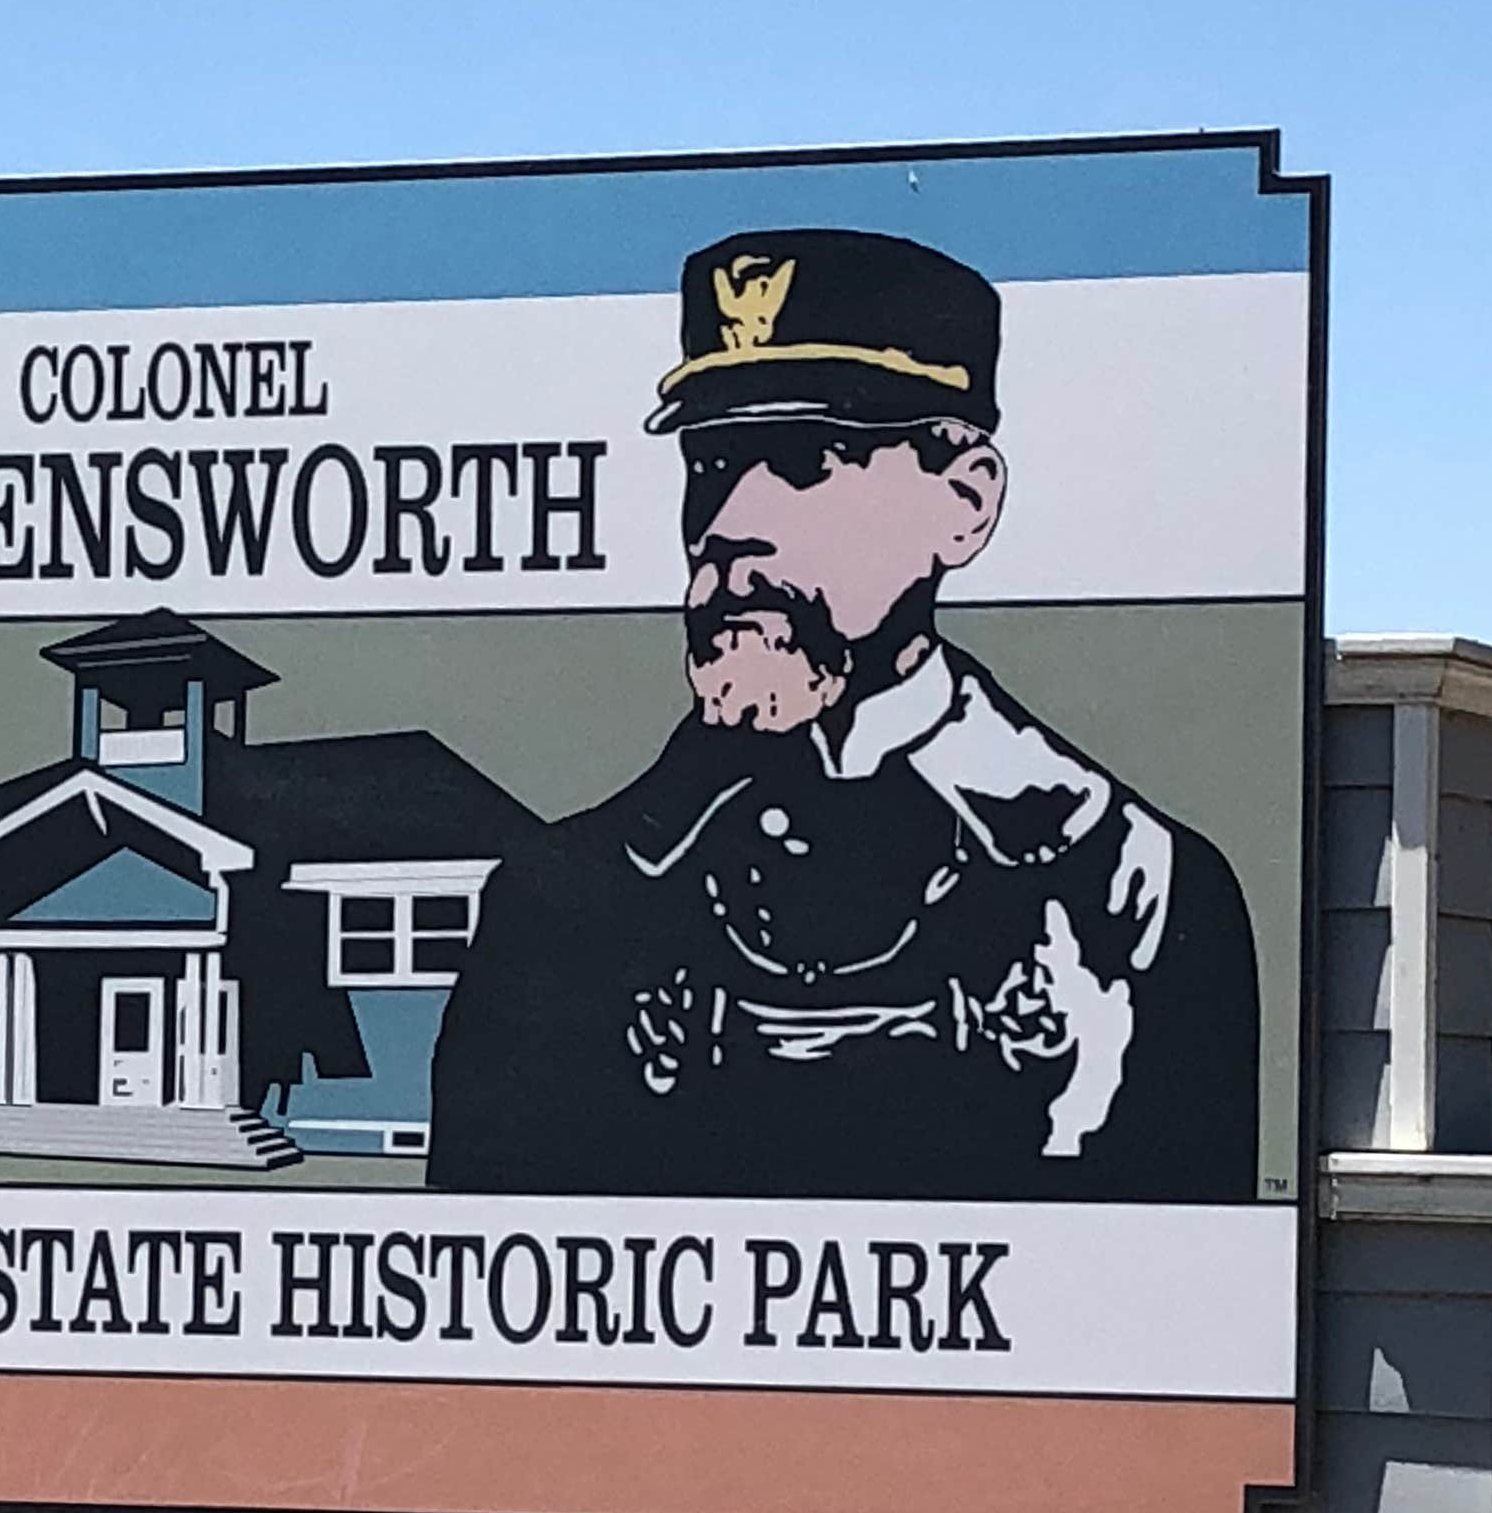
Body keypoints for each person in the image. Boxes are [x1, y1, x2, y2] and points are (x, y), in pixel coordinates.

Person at [428, 226, 1261, 1198]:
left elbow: (1187, 1273)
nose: (729, 523)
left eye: (806, 460)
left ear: (965, 502)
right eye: (711, 463)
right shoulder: (563, 897)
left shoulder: (1133, 887)